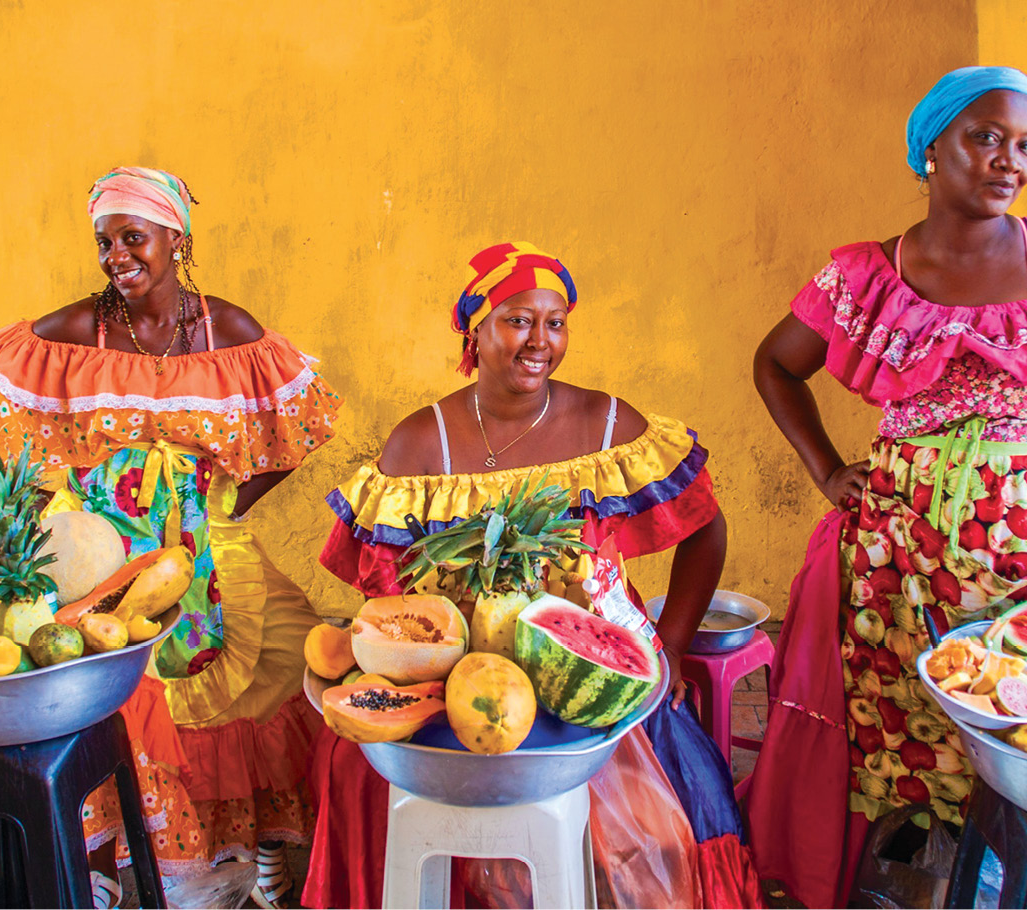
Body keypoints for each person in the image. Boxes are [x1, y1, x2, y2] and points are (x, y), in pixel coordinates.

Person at [746, 66, 1027, 908]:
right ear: (928, 148)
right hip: (899, 561)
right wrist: (827, 470)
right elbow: (774, 364)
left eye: (1023, 145)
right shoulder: (867, 277)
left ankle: (1013, 875)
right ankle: (916, 874)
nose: (1007, 161)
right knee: (901, 724)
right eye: (984, 137)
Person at [309, 242, 762, 909]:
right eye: (517, 320)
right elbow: (389, 595)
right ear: (475, 328)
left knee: (651, 830)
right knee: (357, 770)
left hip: (595, 665)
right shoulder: (418, 443)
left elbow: (705, 527)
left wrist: (664, 644)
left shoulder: (609, 424)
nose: (538, 341)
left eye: (554, 322)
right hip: (459, 673)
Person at [0, 167, 342, 909]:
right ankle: (102, 867)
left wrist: (225, 502)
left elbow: (298, 430)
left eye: (133, 238)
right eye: (105, 241)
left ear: (177, 238)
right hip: (99, 558)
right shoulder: (77, 331)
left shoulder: (226, 330)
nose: (117, 256)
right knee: (117, 708)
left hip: (204, 548)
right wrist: (57, 506)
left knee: (269, 678)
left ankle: (253, 851)